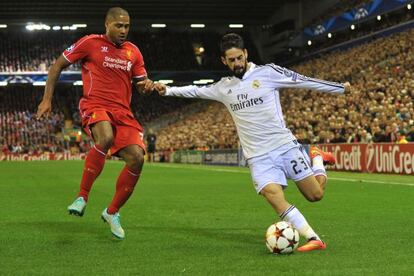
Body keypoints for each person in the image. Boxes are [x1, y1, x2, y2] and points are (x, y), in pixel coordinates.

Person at [153, 33, 351, 252]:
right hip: (258, 156)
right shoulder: (223, 87)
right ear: (223, 61)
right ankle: (313, 238)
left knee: (315, 195)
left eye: (239, 57)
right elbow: (195, 90)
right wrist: (167, 90)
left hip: (284, 146)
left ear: (246, 54)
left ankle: (317, 158)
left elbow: (302, 80)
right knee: (272, 195)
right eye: (232, 60)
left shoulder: (268, 72)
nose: (237, 63)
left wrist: (339, 88)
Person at [37, 7, 154, 239]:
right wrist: (47, 99)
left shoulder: (133, 52)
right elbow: (57, 65)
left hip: (123, 112)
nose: (123, 30)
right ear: (107, 24)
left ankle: (112, 212)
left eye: (127, 26)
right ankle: (82, 197)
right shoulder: (90, 43)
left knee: (137, 158)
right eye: (118, 26)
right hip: (95, 105)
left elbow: (141, 85)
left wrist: (150, 86)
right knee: (105, 137)